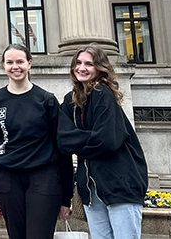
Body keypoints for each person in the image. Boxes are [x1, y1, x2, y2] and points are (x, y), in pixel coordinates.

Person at [0, 44, 73, 239]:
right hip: (7, 179)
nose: (16, 66)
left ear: (29, 63)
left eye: (20, 61)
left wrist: (66, 197)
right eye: (10, 62)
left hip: (43, 179)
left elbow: (62, 150)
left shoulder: (46, 100)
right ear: (3, 65)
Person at [57, 45, 148, 239]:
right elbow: (61, 139)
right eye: (78, 63)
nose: (82, 68)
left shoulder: (102, 93)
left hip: (120, 184)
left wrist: (76, 142)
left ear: (100, 68)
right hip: (91, 189)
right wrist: (86, 138)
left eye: (89, 64)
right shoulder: (69, 101)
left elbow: (106, 141)